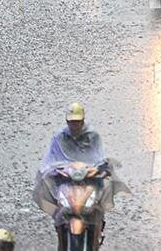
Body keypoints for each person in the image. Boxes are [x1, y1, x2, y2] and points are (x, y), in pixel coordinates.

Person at [34, 103, 120, 251]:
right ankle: (60, 230)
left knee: (102, 194)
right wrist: (54, 170)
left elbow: (99, 157)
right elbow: (51, 159)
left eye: (77, 121)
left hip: (89, 179)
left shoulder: (93, 136)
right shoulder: (59, 137)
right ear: (67, 121)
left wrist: (98, 169)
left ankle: (99, 224)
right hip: (67, 180)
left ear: (83, 120)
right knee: (58, 206)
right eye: (72, 121)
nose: (75, 124)